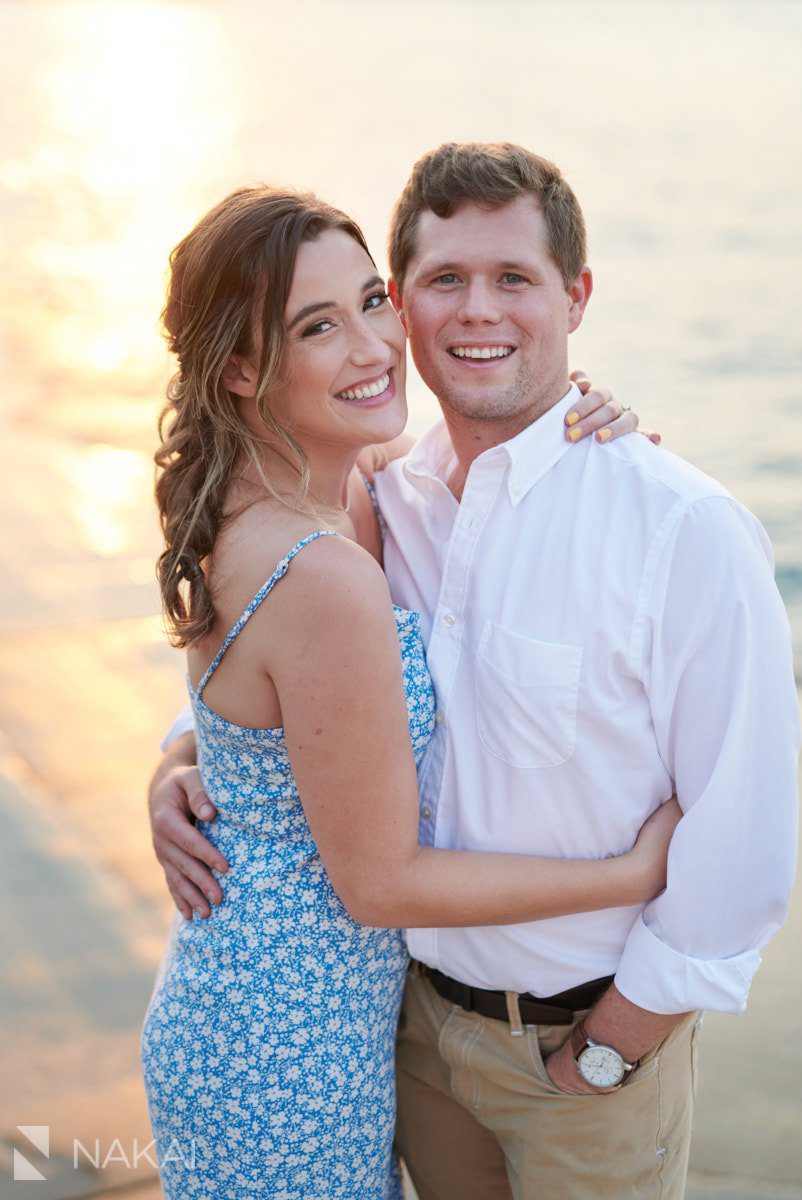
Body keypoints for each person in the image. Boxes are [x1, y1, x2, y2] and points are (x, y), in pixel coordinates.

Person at [152, 144, 800, 1200]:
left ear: (576, 297)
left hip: (583, 1055)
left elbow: (746, 837)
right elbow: (280, 693)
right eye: (440, 282)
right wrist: (182, 759)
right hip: (399, 1035)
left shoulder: (676, 525)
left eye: (513, 280)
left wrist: (610, 1048)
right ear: (412, 304)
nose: (472, 312)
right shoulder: (378, 503)